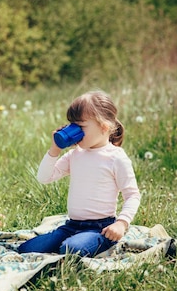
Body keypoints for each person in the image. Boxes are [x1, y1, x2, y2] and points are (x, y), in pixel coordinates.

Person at [18, 90, 140, 257]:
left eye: (80, 126)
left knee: (71, 249)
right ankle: (75, 243)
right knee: (25, 250)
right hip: (72, 225)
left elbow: (132, 195)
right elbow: (44, 178)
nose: (74, 130)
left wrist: (121, 223)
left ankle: (104, 244)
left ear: (103, 126)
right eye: (72, 125)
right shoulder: (75, 155)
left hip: (101, 228)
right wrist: (55, 149)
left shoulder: (116, 158)